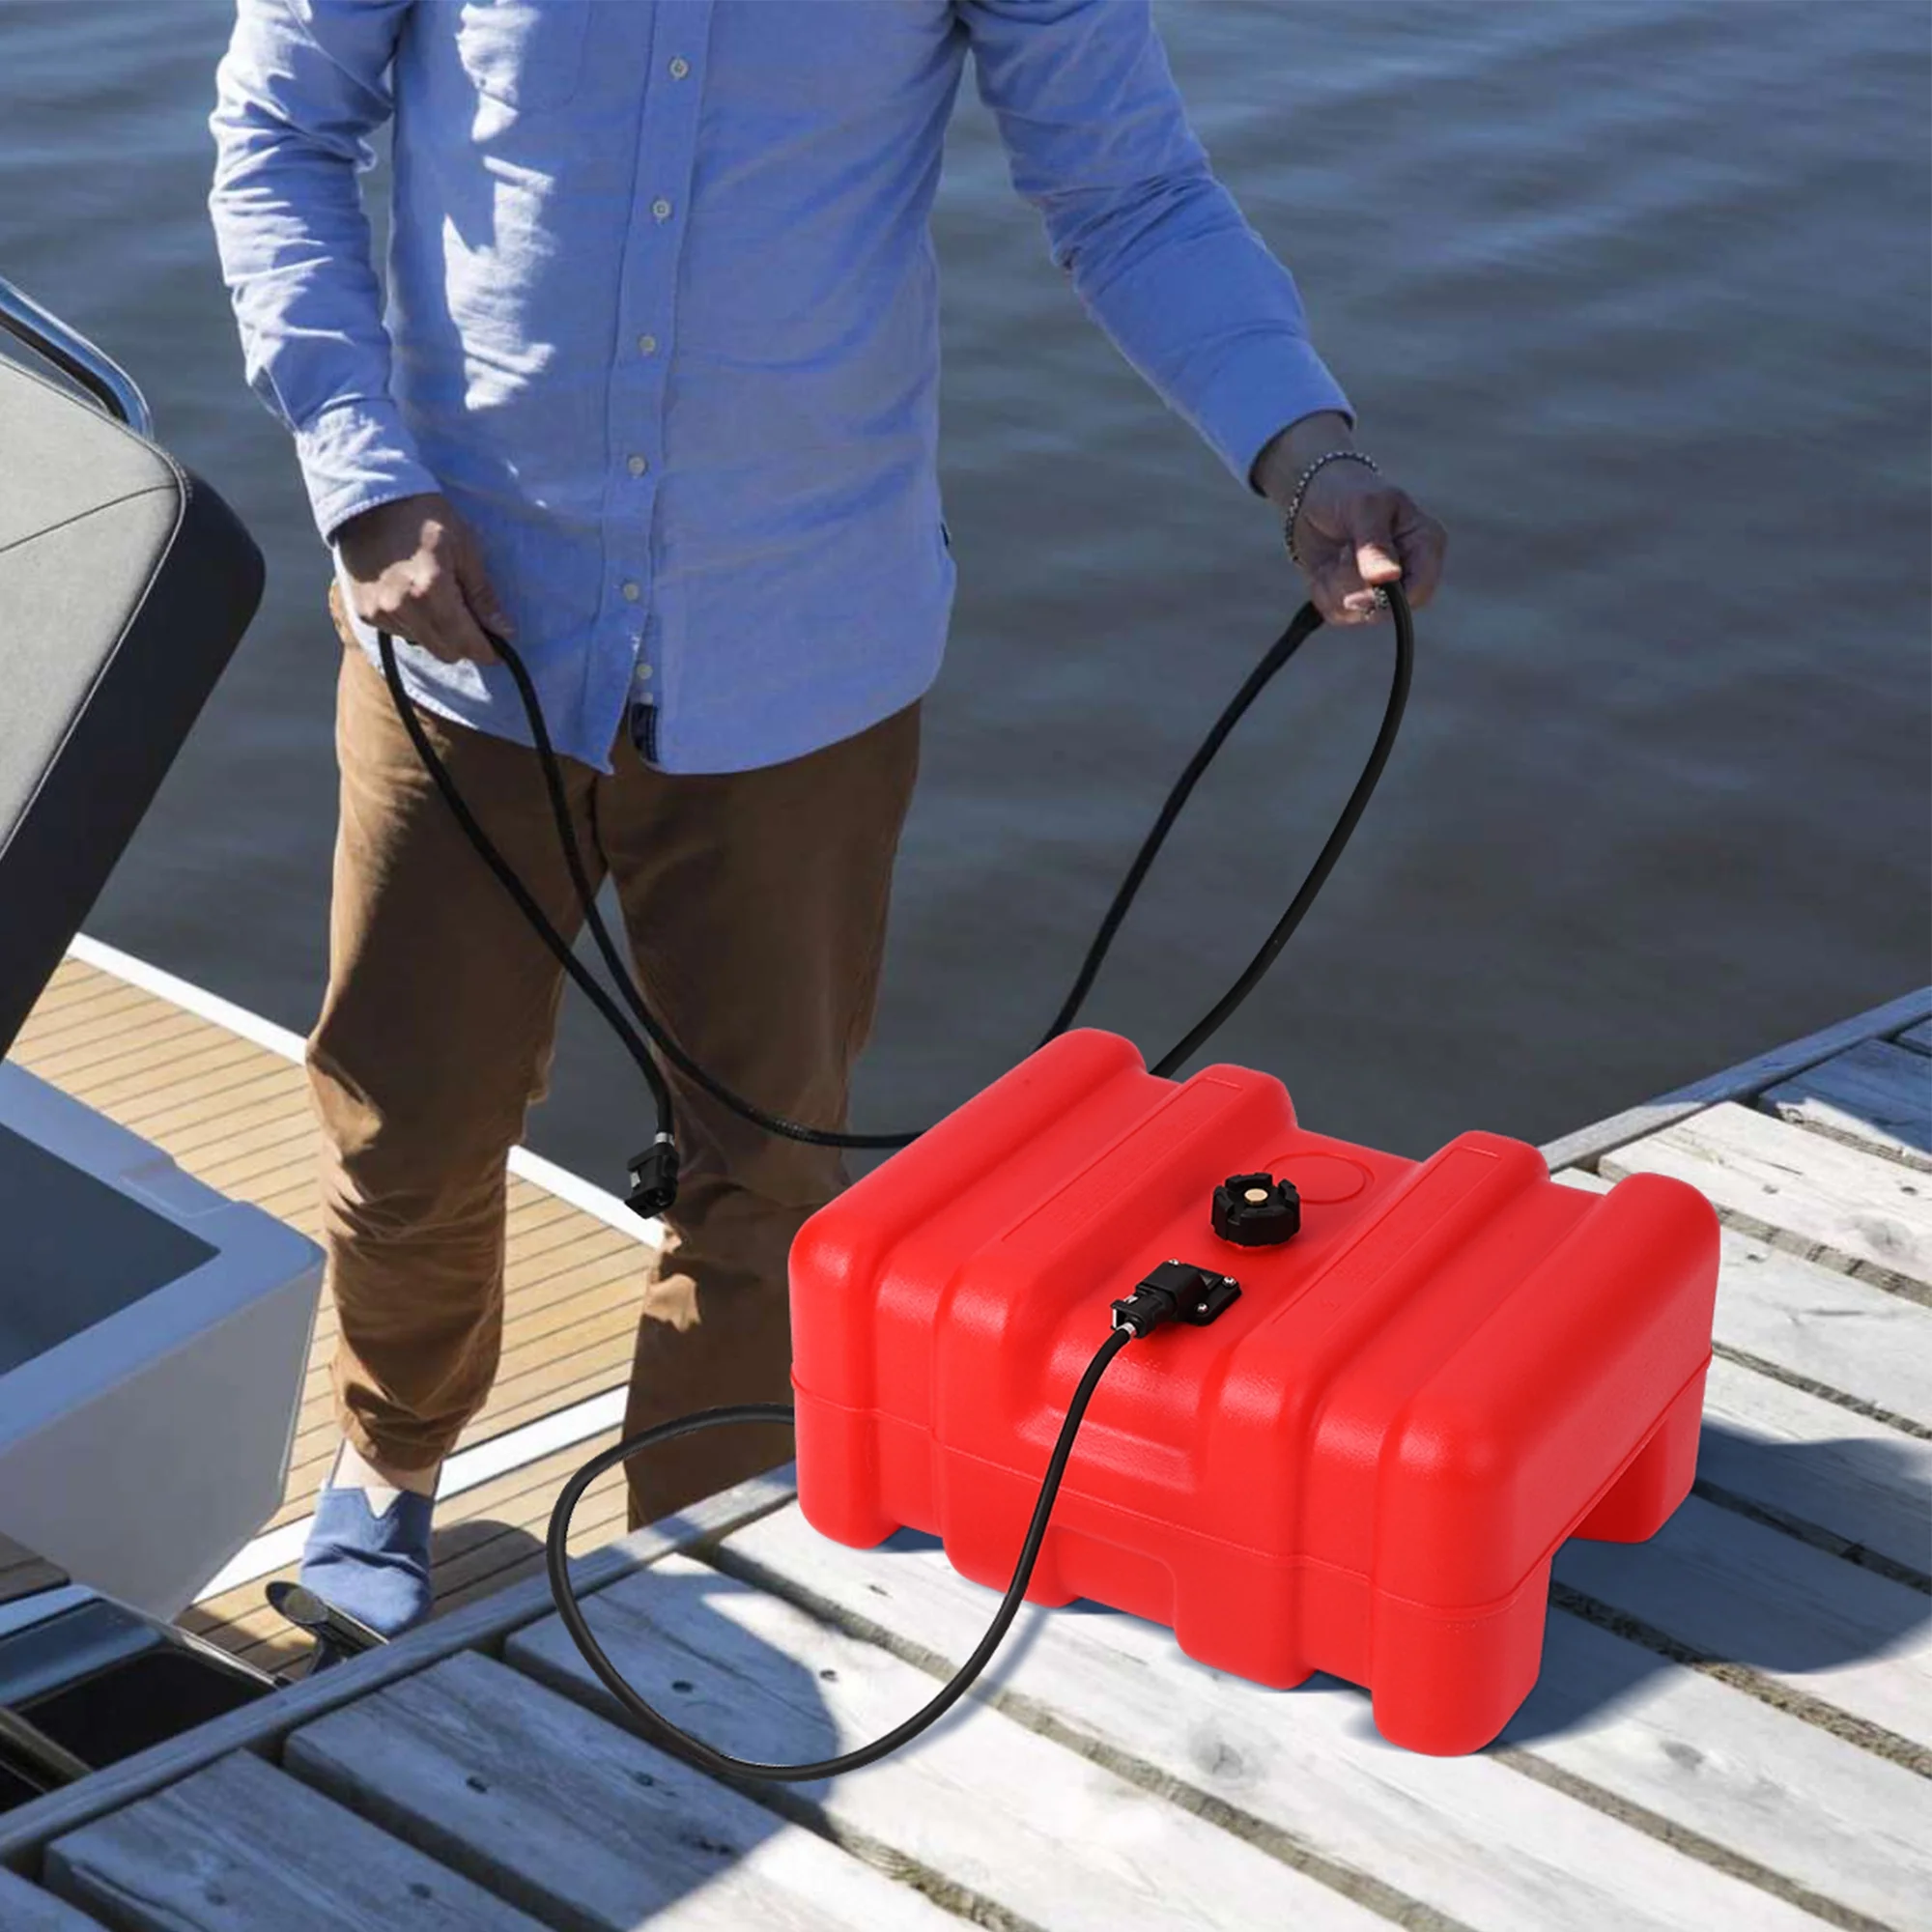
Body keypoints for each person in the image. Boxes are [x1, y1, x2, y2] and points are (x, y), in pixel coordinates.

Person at [209, 0, 1447, 1638]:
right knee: (408, 1121)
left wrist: (1309, 462)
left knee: (772, 1165)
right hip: (462, 631)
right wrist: (364, 478)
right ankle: (392, 1457)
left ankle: (683, 1570)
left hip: (804, 647)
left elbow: (1131, 191)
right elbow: (279, 133)